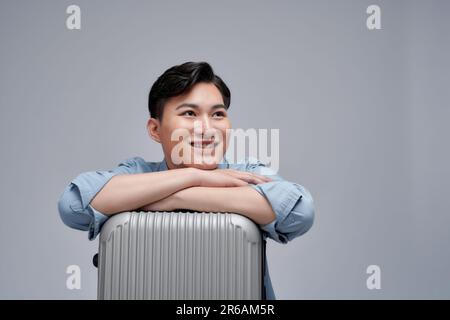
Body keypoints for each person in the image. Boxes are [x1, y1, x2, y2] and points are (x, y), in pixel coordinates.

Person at [57, 61, 315, 300]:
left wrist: (173, 196)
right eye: (190, 113)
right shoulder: (137, 172)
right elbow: (73, 206)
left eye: (217, 115)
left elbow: (299, 212)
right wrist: (195, 176)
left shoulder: (245, 171)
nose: (207, 128)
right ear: (155, 130)